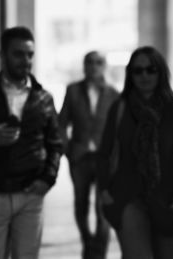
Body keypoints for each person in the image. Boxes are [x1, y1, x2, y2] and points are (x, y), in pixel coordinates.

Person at [0, 26, 63, 259]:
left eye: (30, 55)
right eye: (18, 54)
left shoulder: (44, 98)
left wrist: (48, 178)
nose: (26, 61)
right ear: (2, 55)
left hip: (31, 193)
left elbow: (56, 144)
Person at [97, 46, 173, 259]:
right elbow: (104, 153)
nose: (144, 75)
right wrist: (105, 192)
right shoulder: (120, 108)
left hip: (168, 201)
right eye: (137, 70)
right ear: (130, 75)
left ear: (161, 72)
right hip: (128, 199)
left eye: (151, 69)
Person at [59, 51, 118, 259]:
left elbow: (119, 129)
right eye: (90, 62)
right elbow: (61, 123)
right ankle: (87, 242)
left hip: (105, 159)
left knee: (104, 207)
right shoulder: (73, 90)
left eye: (98, 62)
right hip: (80, 158)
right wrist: (67, 150)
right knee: (81, 203)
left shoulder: (114, 94)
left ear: (105, 66)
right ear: (84, 66)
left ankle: (98, 252)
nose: (94, 66)